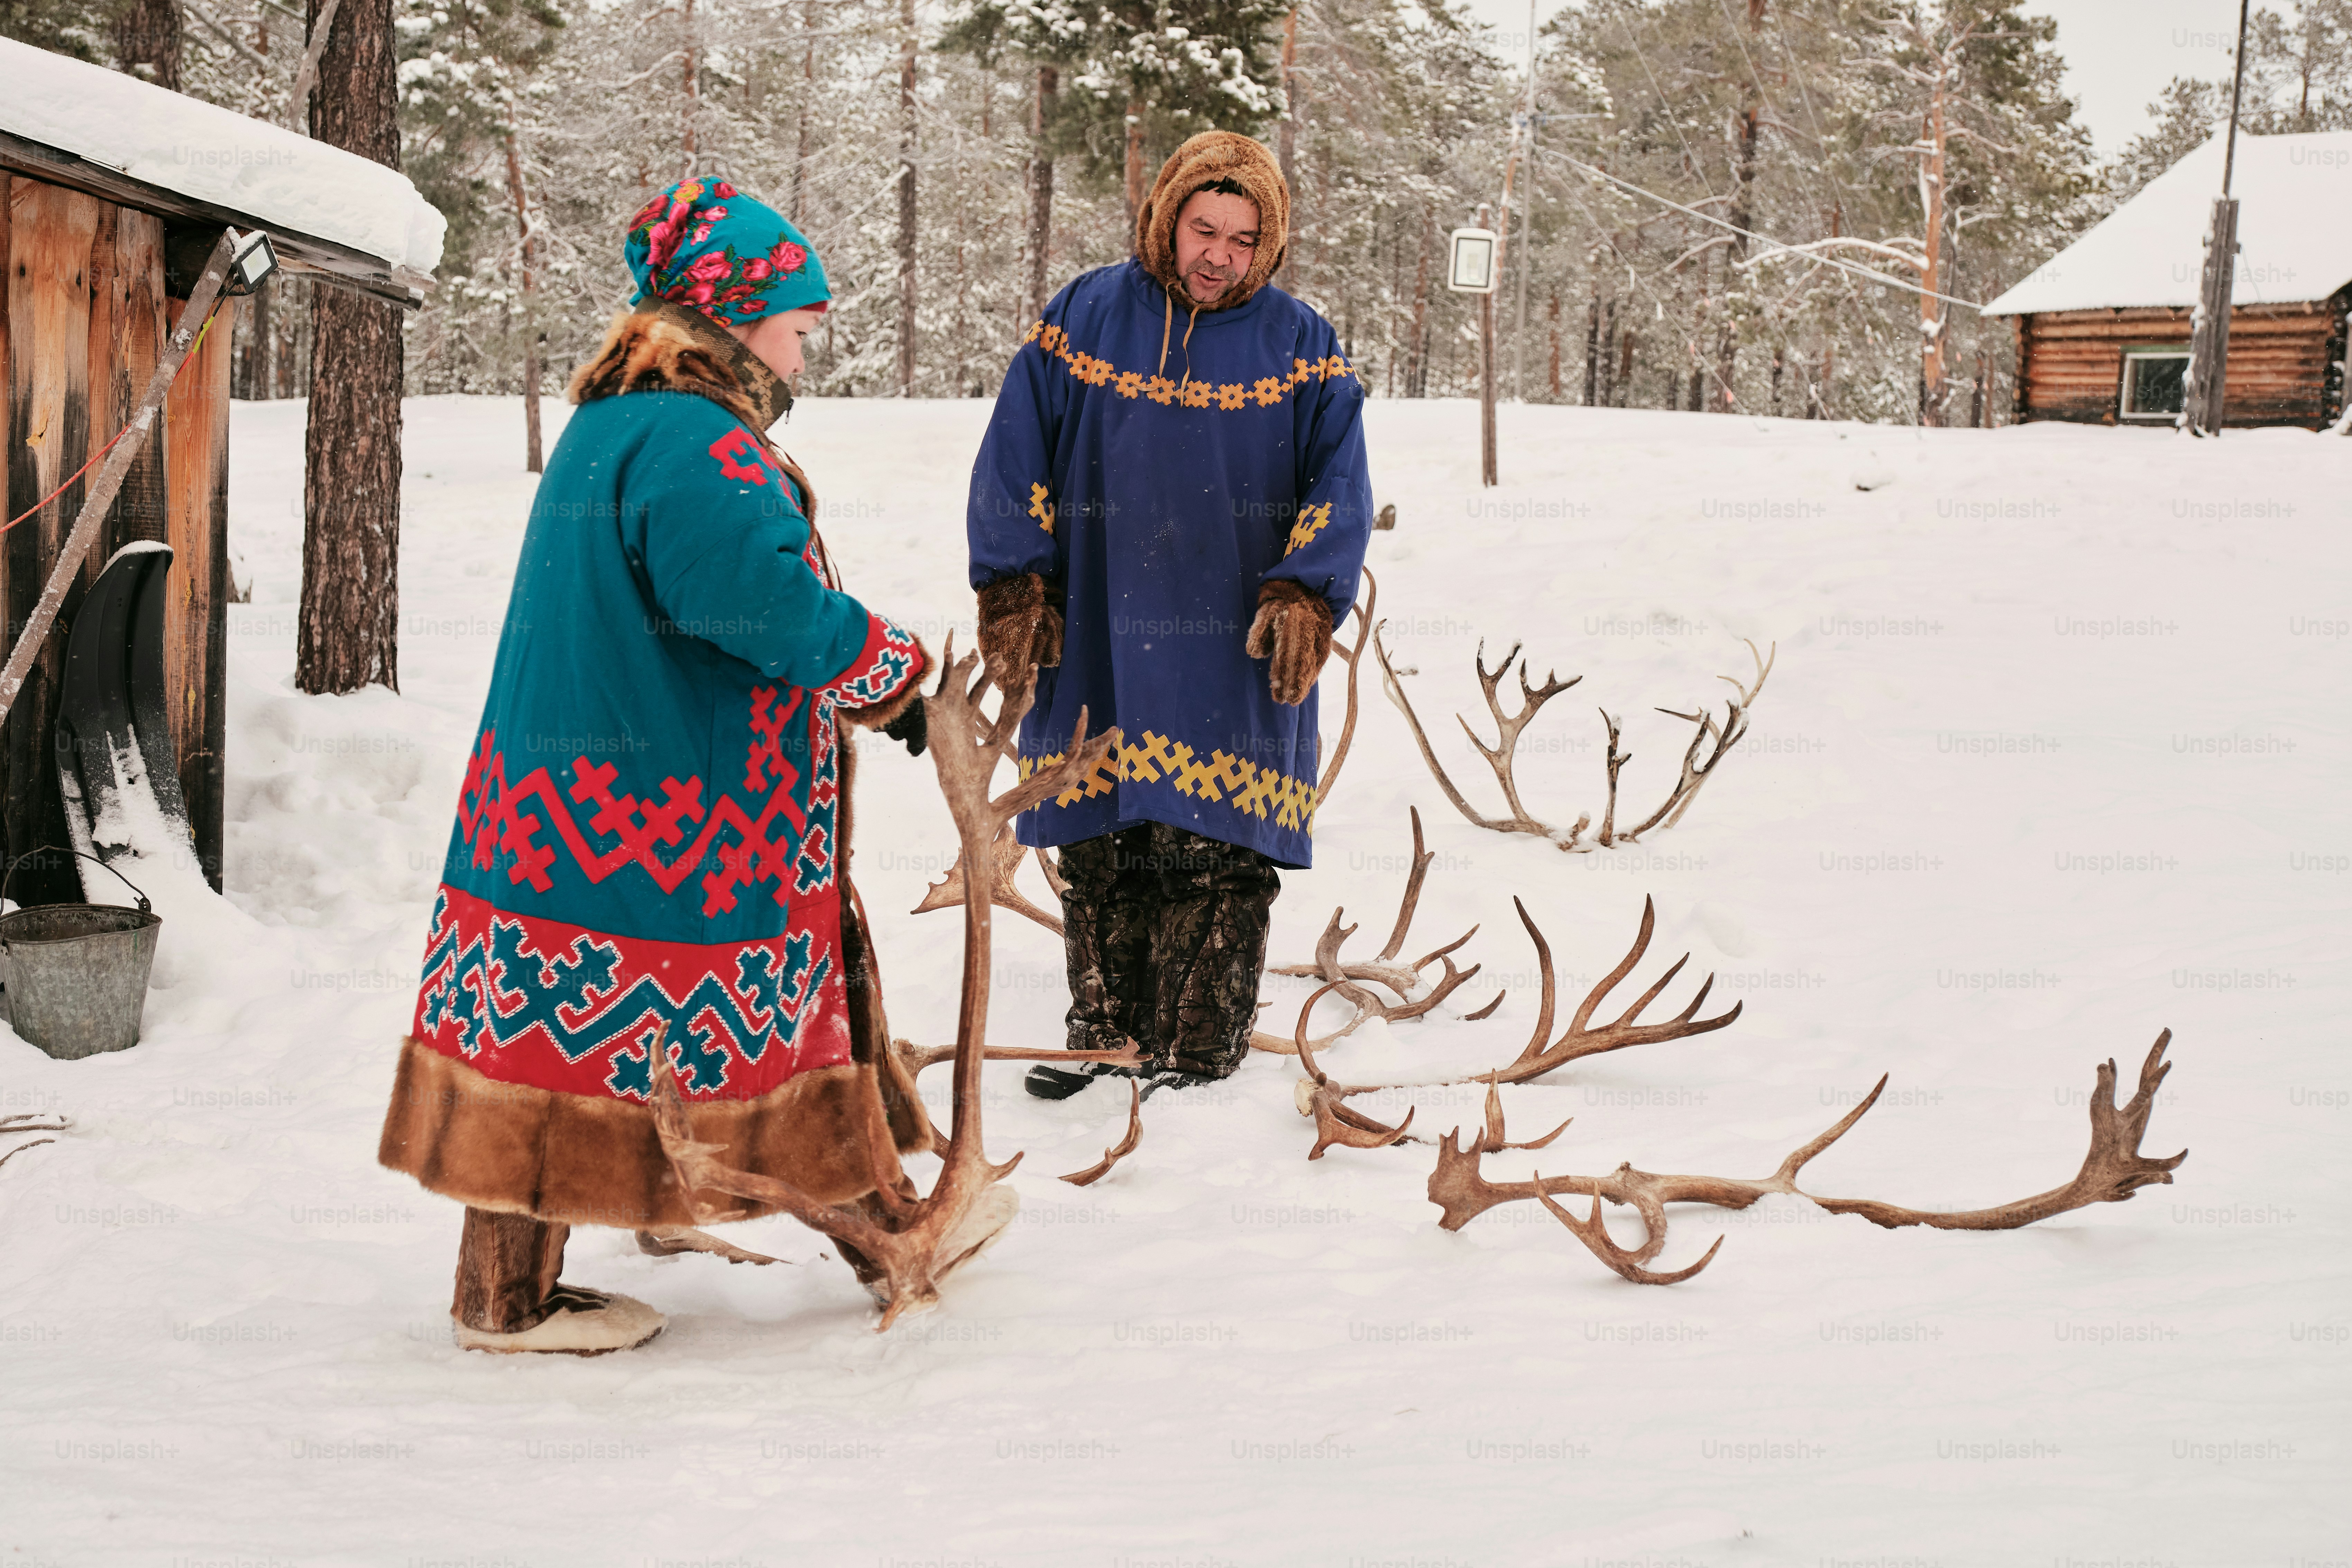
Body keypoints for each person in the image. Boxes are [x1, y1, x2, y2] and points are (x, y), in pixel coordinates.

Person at [378, 177, 946, 1355]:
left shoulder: (615, 419)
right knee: (751, 1026)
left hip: (556, 816)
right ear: (735, 311)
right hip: (673, 822)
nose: (811, 333)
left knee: (541, 1035)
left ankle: (504, 1290)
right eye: (798, 310)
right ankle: (890, 1229)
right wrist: (890, 667)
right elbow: (757, 603)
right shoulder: (699, 437)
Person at [965, 132, 1374, 1099]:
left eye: (1242, 237)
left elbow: (1340, 482)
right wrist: (1017, 583)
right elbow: (1014, 452)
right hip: (1099, 620)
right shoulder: (1085, 317)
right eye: (1203, 229)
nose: (1218, 255)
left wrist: (1309, 591)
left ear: (1266, 245)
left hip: (1235, 633)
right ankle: (1104, 1040)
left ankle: (1195, 1055)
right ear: (1167, 221)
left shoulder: (1303, 346)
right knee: (1101, 844)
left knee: (1214, 846)